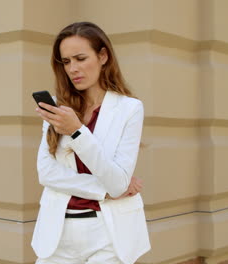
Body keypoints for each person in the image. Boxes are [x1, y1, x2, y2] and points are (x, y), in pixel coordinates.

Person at [31, 22, 151, 264]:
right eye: (66, 62)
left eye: (80, 58)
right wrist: (103, 190)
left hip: (109, 234)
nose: (73, 68)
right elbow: (46, 174)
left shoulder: (129, 108)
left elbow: (118, 182)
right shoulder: (57, 107)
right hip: (58, 232)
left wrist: (77, 132)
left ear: (103, 56)